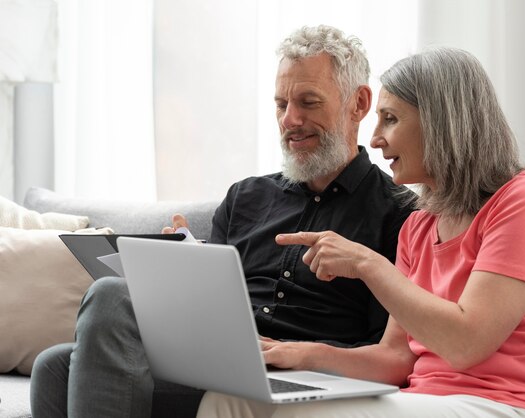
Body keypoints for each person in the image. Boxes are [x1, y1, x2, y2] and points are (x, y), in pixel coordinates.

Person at [29, 25, 413, 418]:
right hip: (218, 363)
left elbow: (391, 353)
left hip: (306, 374)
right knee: (54, 366)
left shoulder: (400, 215)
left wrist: (297, 354)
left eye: (308, 102)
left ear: (359, 103)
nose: (290, 120)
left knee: (111, 296)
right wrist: (176, 272)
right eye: (281, 104)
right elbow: (209, 309)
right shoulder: (246, 197)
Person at [193, 47, 525, 418]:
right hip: (425, 402)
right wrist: (297, 354)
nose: (376, 138)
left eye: (391, 119)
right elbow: (395, 359)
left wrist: (367, 264)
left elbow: (467, 344)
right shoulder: (419, 224)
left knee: (293, 411)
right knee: (233, 399)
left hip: (513, 405)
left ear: (442, 121)